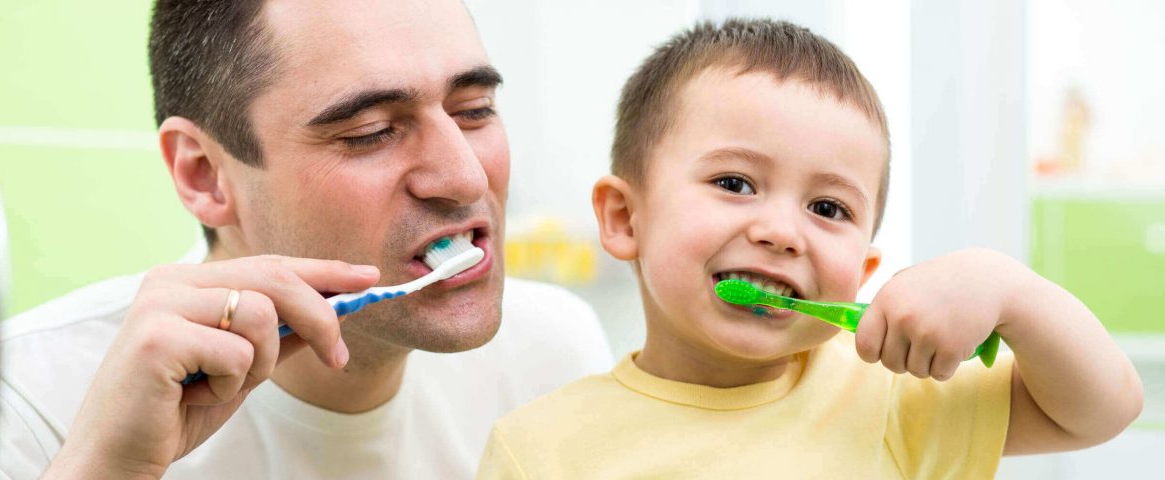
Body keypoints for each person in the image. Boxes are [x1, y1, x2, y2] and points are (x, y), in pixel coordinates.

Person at [0, 1, 613, 478]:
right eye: (370, 132)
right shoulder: (14, 408)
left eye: (474, 111)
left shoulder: (553, 354)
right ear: (204, 174)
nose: (466, 175)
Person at [477, 18, 1144, 479]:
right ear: (625, 218)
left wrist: (1011, 291)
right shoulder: (542, 450)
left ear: (863, 272)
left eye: (828, 208)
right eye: (735, 183)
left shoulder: (895, 399)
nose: (781, 231)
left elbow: (1103, 409)